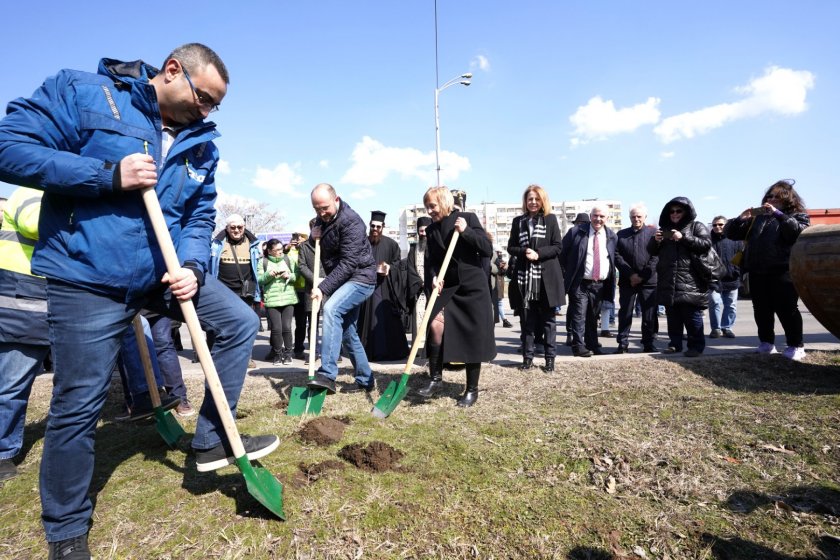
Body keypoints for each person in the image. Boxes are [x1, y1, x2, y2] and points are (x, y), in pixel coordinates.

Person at [0, 44, 278, 558]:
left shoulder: (202, 144)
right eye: (204, 99)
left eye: (215, 106)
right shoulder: (86, 94)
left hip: (162, 274)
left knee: (239, 322)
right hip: (87, 275)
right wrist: (105, 176)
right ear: (172, 71)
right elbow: (9, 147)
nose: (207, 112)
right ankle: (65, 528)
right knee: (77, 402)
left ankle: (211, 440)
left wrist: (192, 267)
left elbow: (198, 215)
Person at [415, 187, 496, 406]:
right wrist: (432, 277)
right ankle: (435, 378)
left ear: (444, 202)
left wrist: (468, 231)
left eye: (432, 206)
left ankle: (471, 389)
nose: (429, 211)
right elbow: (431, 262)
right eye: (427, 207)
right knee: (435, 324)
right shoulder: (431, 231)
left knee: (472, 335)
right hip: (448, 287)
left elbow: (487, 249)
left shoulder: (467, 218)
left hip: (472, 287)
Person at [725, 180, 810, 360]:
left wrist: (778, 214)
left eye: (775, 196)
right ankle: (766, 343)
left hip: (782, 270)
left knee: (787, 309)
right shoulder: (758, 218)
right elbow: (731, 233)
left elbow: (797, 232)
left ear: (786, 198)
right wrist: (740, 219)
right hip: (757, 270)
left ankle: (796, 345)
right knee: (761, 309)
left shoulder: (797, 215)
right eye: (769, 196)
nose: (770, 199)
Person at [306, 184, 377, 395]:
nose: (321, 213)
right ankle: (365, 379)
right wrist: (313, 235)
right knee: (347, 332)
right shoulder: (323, 219)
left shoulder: (351, 222)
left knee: (331, 310)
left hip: (361, 278)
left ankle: (327, 374)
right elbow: (322, 242)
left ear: (336, 200)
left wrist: (322, 288)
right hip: (344, 279)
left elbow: (348, 263)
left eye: (325, 208)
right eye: (316, 209)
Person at [0, 187, 50, 484]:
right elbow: (34, 223)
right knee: (11, 384)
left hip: (41, 305)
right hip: (22, 307)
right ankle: (3, 451)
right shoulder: (29, 193)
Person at [506, 185, 564, 372]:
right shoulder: (518, 221)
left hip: (546, 280)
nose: (533, 202)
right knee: (527, 322)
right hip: (524, 279)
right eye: (530, 199)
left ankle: (549, 360)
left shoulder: (551, 219)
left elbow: (557, 246)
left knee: (548, 322)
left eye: (536, 199)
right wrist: (525, 252)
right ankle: (527, 358)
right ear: (525, 201)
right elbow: (511, 247)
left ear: (542, 201)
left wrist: (538, 254)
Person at [650, 197, 712, 357]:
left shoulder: (696, 226)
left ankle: (696, 346)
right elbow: (651, 250)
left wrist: (683, 237)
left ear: (686, 212)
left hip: (691, 280)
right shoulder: (665, 228)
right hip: (669, 280)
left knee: (692, 317)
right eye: (672, 211)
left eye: (679, 211)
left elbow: (706, 244)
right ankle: (675, 344)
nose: (675, 214)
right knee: (673, 317)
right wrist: (655, 241)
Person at [561, 205, 617, 358]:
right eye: (595, 215)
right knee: (579, 314)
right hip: (580, 283)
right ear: (590, 216)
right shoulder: (576, 232)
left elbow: (612, 258)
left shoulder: (611, 235)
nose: (598, 219)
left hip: (599, 283)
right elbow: (562, 254)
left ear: (607, 218)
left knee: (593, 315)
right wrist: (569, 272)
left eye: (602, 216)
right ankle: (578, 346)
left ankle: (592, 344)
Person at [209, 213, 262, 367]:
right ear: (227, 228)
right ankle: (216, 358)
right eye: (233, 227)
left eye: (240, 227)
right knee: (218, 327)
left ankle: (246, 358)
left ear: (244, 227)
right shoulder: (217, 243)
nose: (237, 230)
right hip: (221, 293)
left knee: (247, 326)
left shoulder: (254, 244)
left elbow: (258, 269)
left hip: (245, 293)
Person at [357, 210, 410, 361]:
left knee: (385, 319)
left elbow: (398, 265)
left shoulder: (391, 244)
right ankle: (367, 352)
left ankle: (388, 352)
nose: (375, 229)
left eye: (378, 227)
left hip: (385, 288)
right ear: (369, 225)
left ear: (383, 227)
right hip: (366, 287)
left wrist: (389, 268)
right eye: (373, 226)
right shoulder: (363, 243)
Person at [614, 204, 659, 353]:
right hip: (628, 281)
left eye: (639, 216)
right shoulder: (621, 234)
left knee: (648, 314)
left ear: (645, 217)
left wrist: (642, 276)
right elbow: (616, 255)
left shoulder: (654, 233)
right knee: (625, 313)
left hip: (649, 281)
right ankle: (622, 344)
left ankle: (648, 343)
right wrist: (631, 274)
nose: (636, 219)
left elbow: (656, 256)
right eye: (633, 216)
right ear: (629, 217)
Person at [259, 238, 299, 365]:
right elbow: (259, 280)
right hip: (272, 300)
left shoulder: (288, 259)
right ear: (270, 251)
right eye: (276, 250)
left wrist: (290, 276)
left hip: (288, 299)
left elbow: (297, 275)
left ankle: (288, 354)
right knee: (276, 329)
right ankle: (277, 354)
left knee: (287, 327)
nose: (280, 252)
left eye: (281, 249)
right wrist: (269, 275)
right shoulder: (263, 262)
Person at [708, 215, 743, 339]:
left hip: (732, 278)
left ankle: (727, 327)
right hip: (713, 280)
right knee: (714, 303)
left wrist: (737, 271)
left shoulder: (735, 239)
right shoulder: (707, 240)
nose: (717, 227)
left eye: (720, 224)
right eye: (714, 225)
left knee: (731, 305)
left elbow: (741, 256)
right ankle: (716, 329)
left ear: (726, 225)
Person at [285, 232, 309, 360]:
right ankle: (298, 349)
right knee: (299, 323)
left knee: (311, 323)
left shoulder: (309, 251)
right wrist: (286, 248)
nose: (298, 242)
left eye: (301, 240)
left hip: (309, 290)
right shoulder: (290, 252)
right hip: (295, 290)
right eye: (296, 240)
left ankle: (313, 350)